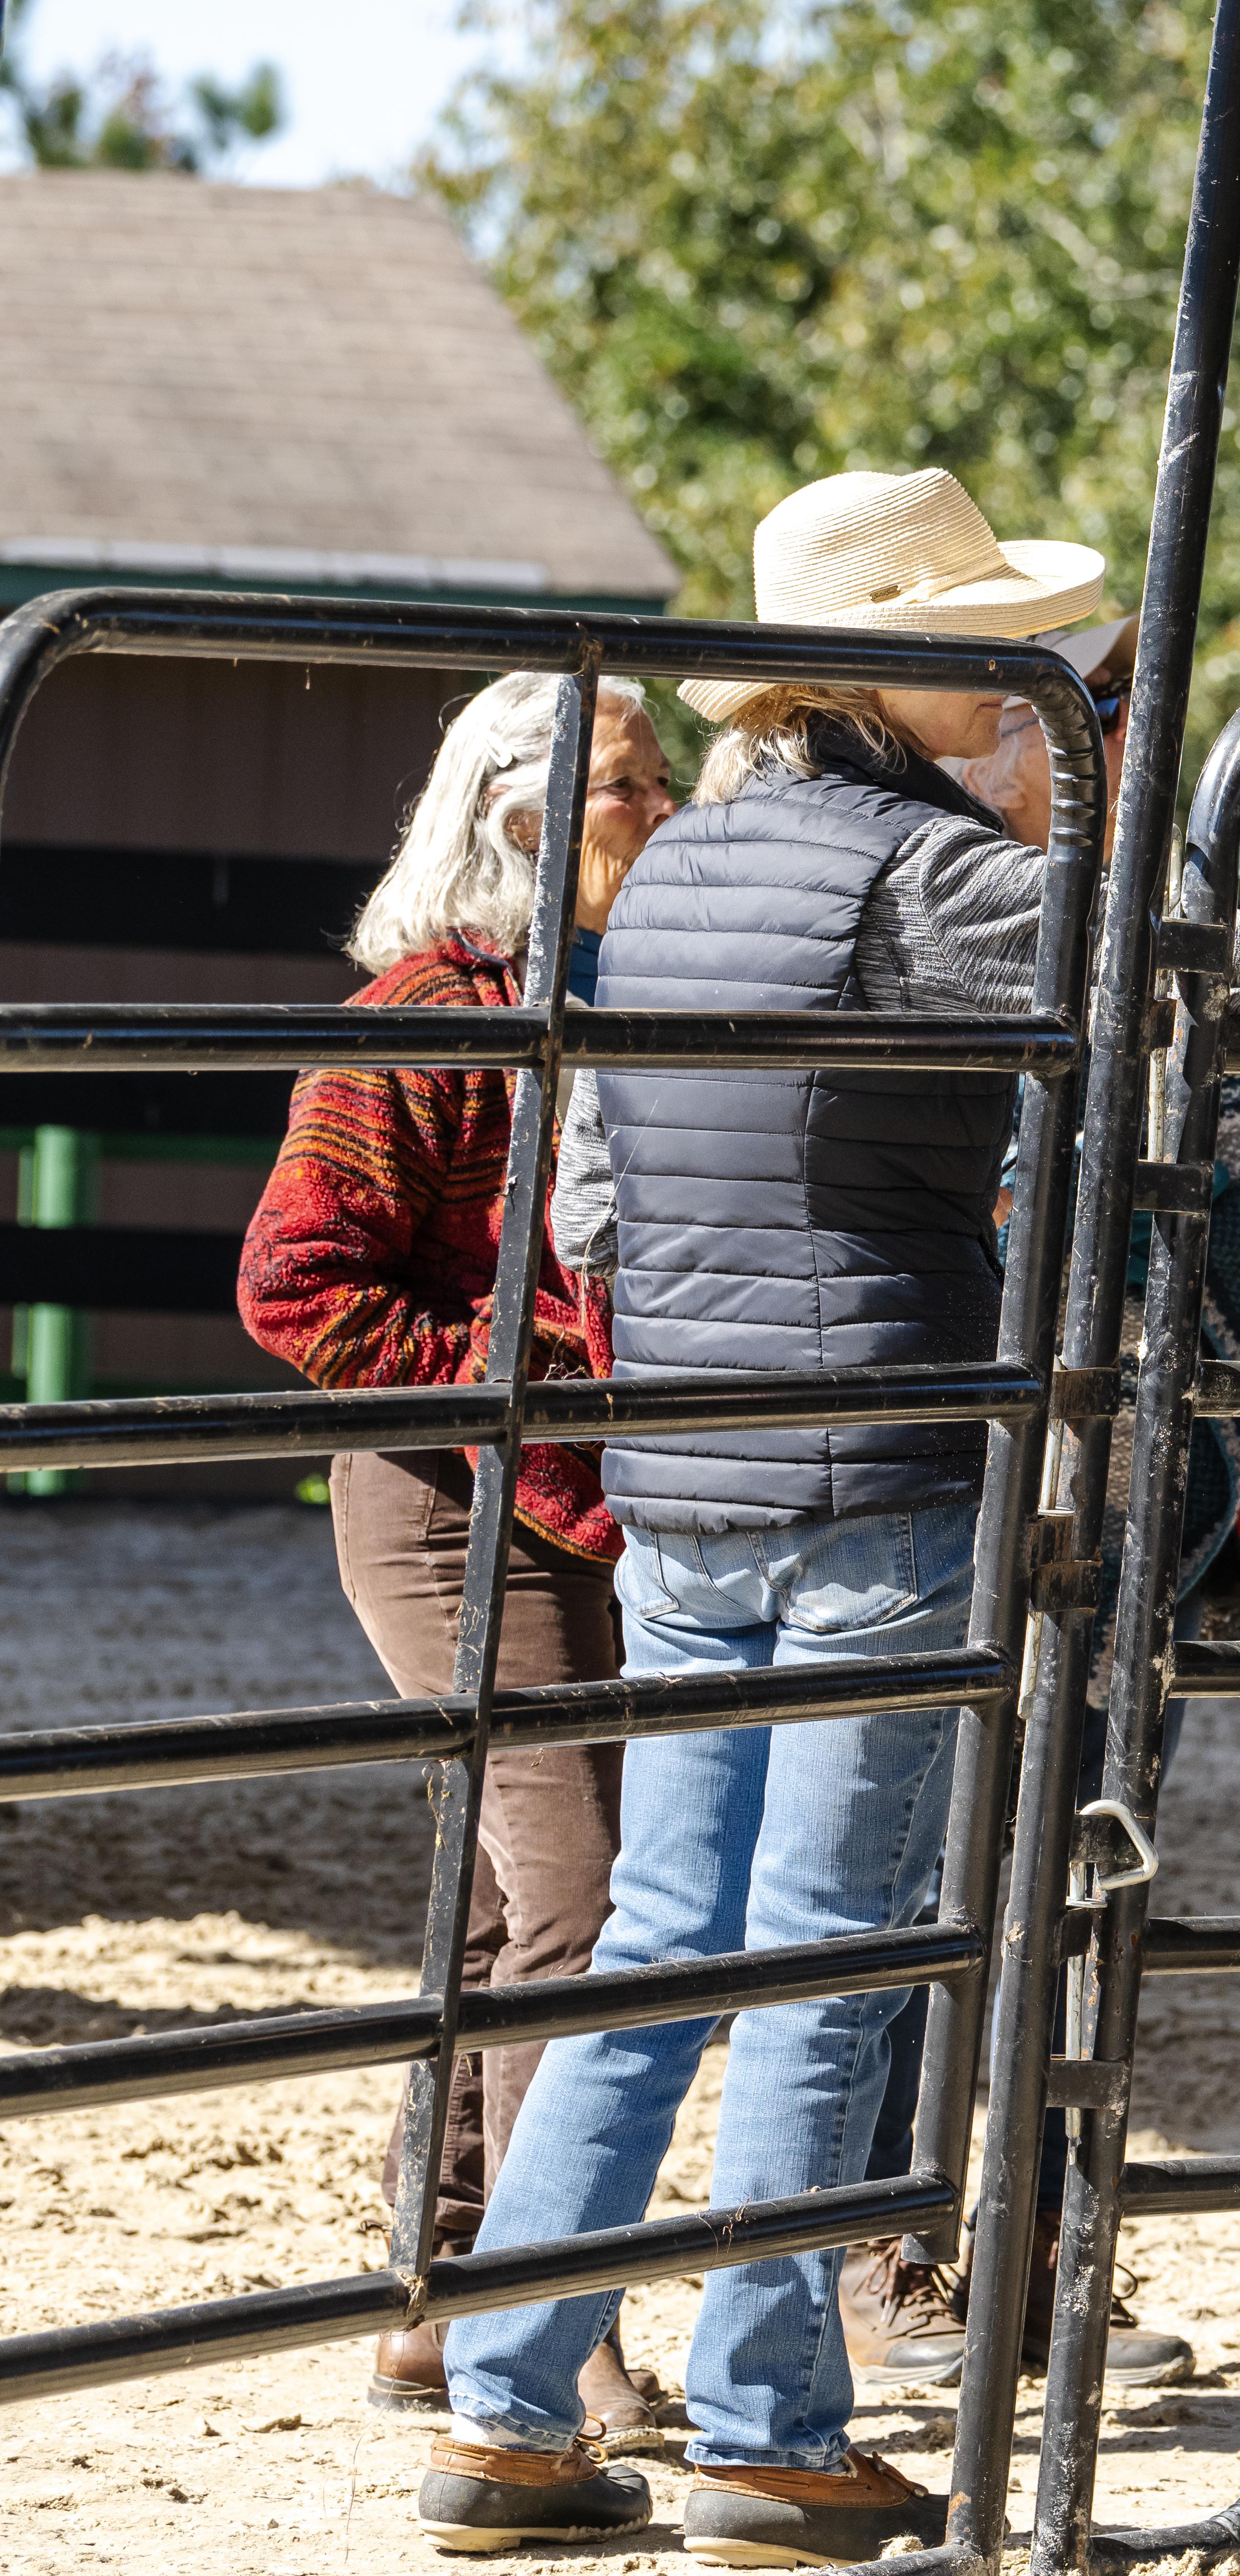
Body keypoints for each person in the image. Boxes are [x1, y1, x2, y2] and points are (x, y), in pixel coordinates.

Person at [411, 467, 1240, 2564]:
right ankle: (770, 2427)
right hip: (883, 1475)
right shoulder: (922, 878)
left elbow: (601, 1196)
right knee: (835, 1956)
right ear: (928, 684)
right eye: (1014, 676)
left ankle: (512, 2404)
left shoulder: (678, 869)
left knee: (659, 1944)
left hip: (686, 1475)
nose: (1037, 710)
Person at [838, 609, 1240, 2397]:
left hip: (1139, 1461)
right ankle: (886, 2259)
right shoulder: (961, 908)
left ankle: (1037, 2244)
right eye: (1079, 706)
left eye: (1112, 705)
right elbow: (1024, 1198)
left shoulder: (1126, 908)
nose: (1105, 737)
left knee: (1071, 1860)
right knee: (926, 1862)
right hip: (988, 1454)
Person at [236, 671, 677, 2432]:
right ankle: (547, 2317)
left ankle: (439, 2289)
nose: (663, 814)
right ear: (523, 820)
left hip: (542, 1485)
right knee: (583, 1892)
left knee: (508, 1897)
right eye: (632, 790)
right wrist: (534, 1385)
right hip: (443, 1498)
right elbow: (297, 1283)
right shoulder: (422, 1017)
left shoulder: (595, 1003)